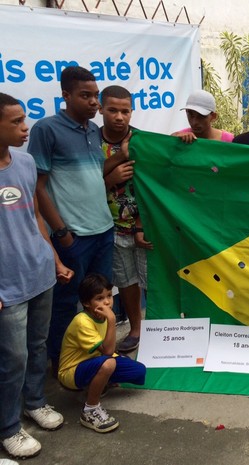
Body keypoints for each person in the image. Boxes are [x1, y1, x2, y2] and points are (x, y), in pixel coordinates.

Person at [28, 66, 120, 375]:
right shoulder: (47, 130)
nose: (94, 102)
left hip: (103, 231)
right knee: (67, 303)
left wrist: (121, 158)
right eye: (86, 95)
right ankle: (63, 363)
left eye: (96, 95)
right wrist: (61, 231)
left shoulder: (93, 130)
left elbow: (94, 173)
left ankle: (100, 358)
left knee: (101, 301)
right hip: (73, 236)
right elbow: (37, 186)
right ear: (65, 95)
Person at [0, 93, 73, 459]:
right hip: (6, 286)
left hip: (39, 272)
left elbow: (35, 218)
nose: (25, 127)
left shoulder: (26, 163)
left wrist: (54, 259)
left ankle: (35, 402)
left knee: (36, 348)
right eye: (15, 122)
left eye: (24, 119)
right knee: (11, 359)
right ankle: (9, 427)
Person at [58, 273, 146, 433]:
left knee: (139, 372)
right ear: (86, 303)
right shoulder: (82, 321)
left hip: (96, 360)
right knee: (109, 363)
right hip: (72, 371)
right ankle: (90, 410)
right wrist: (112, 320)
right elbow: (107, 351)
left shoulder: (103, 316)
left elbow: (107, 351)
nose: (107, 302)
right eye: (99, 298)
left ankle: (101, 381)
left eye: (109, 296)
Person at [100, 85, 152, 353]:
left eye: (125, 111)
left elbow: (154, 185)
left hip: (144, 227)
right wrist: (111, 176)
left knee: (150, 281)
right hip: (112, 227)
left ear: (132, 112)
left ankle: (159, 331)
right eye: (113, 110)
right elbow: (86, 181)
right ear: (101, 109)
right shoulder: (91, 141)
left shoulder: (143, 141)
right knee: (127, 282)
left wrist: (142, 224)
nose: (119, 117)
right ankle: (135, 328)